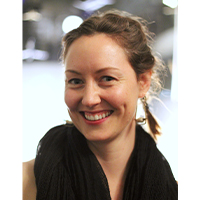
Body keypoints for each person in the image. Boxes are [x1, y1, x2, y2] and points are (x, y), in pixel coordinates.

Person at [23, 9, 178, 200]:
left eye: (107, 78)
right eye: (75, 81)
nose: (89, 99)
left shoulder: (174, 191)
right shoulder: (22, 183)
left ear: (143, 82)